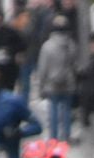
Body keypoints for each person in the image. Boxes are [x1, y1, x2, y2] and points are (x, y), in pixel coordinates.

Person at [36, 13, 75, 142]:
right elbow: (74, 62)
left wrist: (40, 86)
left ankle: (54, 137)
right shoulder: (71, 44)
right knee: (67, 110)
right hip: (68, 81)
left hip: (52, 83)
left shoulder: (47, 46)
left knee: (53, 110)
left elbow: (43, 68)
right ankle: (67, 135)